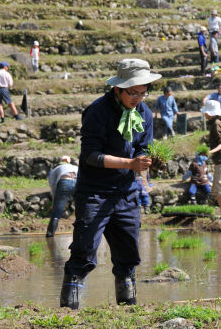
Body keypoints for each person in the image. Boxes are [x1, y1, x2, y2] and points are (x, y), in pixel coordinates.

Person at [61, 58, 161, 310]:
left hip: (125, 192)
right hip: (94, 191)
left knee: (128, 252)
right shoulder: (98, 111)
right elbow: (90, 156)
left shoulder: (145, 114)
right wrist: (130, 164)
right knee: (84, 249)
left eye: (143, 92)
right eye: (133, 92)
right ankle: (68, 311)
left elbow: (143, 148)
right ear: (118, 89)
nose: (138, 98)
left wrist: (150, 160)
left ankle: (128, 308)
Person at [201, 100, 221, 221]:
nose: (205, 114)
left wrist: (210, 152)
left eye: (206, 112)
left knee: (220, 190)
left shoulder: (216, 124)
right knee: (217, 190)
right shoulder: (216, 123)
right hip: (220, 161)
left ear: (211, 113)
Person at [46, 155, 78, 237]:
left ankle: (50, 234)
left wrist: (54, 202)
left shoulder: (54, 170)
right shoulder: (75, 167)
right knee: (82, 210)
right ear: (69, 162)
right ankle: (82, 233)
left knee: (56, 212)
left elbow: (53, 187)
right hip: (77, 183)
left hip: (65, 183)